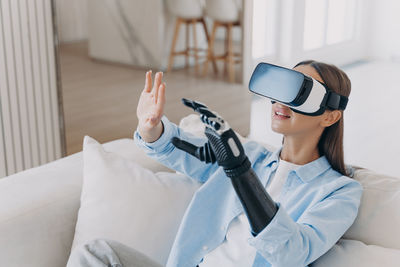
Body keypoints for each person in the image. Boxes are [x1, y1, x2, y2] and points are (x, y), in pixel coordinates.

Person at [68, 60, 362, 267]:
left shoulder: (339, 191)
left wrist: (241, 173)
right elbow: (182, 151)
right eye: (280, 88)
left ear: (330, 116)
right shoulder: (251, 155)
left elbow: (292, 254)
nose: (279, 102)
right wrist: (150, 127)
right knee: (97, 253)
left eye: (298, 92)